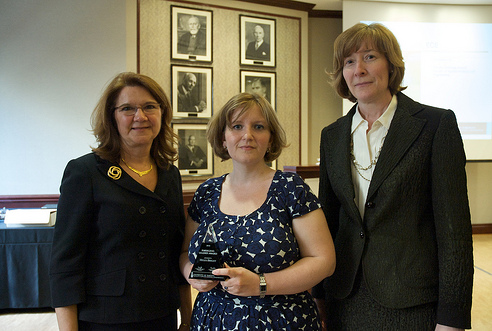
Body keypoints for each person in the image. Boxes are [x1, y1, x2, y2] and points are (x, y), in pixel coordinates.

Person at [312, 23, 474, 330]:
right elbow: (329, 222)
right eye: (348, 62)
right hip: (345, 300)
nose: (358, 69)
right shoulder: (332, 136)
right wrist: (319, 297)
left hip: (413, 303)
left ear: (391, 65)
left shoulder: (434, 125)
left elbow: (454, 232)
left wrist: (452, 318)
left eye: (370, 57)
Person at [179, 92, 336, 330]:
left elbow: (324, 261)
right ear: (223, 138)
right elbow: (184, 253)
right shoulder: (207, 193)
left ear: (271, 138)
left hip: (282, 322)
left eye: (259, 127)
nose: (247, 135)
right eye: (237, 126)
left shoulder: (290, 189)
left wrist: (261, 284)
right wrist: (192, 273)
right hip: (211, 320)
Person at [49, 72, 192, 330]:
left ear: (162, 113)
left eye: (150, 106)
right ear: (112, 117)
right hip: (106, 317)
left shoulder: (170, 174)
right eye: (128, 108)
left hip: (162, 313)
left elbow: (176, 250)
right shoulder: (85, 172)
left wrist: (187, 315)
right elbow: (65, 264)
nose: (141, 116)